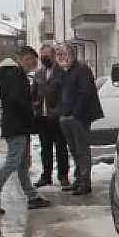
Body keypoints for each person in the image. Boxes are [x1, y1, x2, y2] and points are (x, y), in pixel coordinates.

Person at [0, 47, 51, 214]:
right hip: (16, 127)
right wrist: (29, 110)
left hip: (20, 126)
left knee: (23, 164)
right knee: (13, 161)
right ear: (24, 59)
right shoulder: (14, 76)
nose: (34, 66)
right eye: (32, 62)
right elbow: (15, 101)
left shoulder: (16, 75)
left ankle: (32, 196)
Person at [55, 43, 104, 196]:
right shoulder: (65, 72)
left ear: (71, 55)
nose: (61, 58)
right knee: (74, 149)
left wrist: (75, 113)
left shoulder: (82, 70)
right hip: (67, 116)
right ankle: (78, 179)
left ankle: (85, 181)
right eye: (59, 56)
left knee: (82, 150)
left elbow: (85, 93)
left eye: (63, 55)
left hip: (79, 117)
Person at [32, 43, 70, 188]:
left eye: (47, 55)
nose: (44, 58)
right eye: (42, 55)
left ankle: (63, 176)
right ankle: (46, 176)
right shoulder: (38, 74)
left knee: (61, 148)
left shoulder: (61, 73)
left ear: (53, 56)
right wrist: (35, 106)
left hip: (57, 117)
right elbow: (34, 93)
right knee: (45, 148)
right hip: (42, 117)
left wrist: (58, 112)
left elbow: (64, 96)